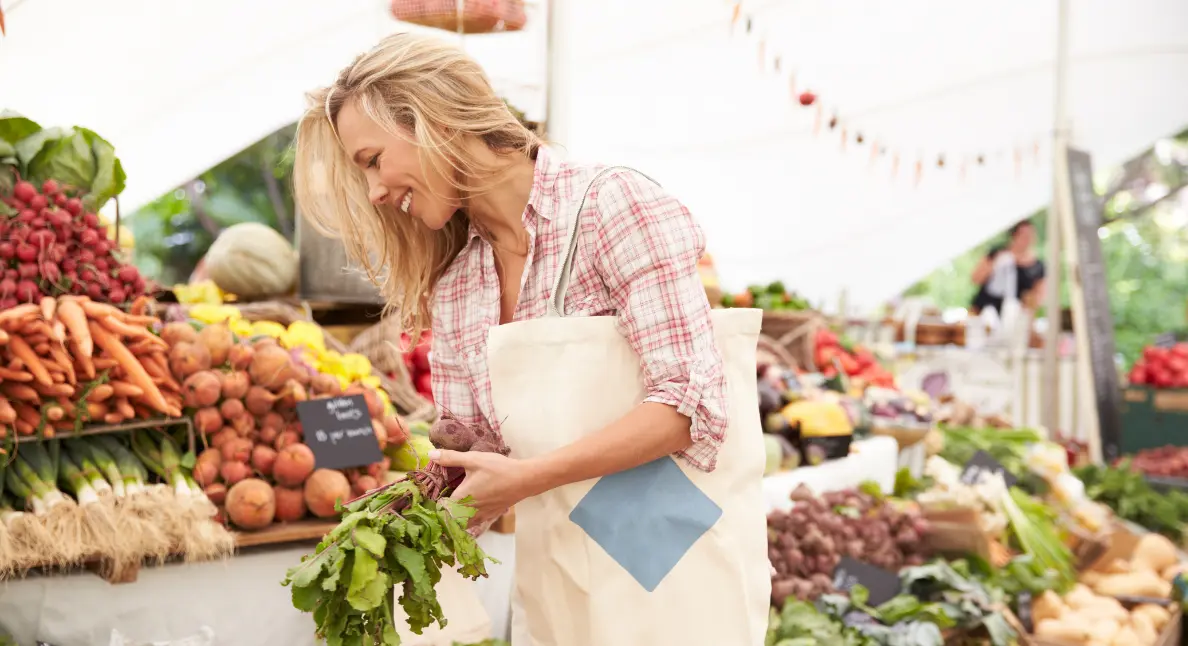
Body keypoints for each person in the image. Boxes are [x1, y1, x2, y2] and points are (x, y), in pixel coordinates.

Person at [294, 32, 769, 646]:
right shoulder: (460, 283)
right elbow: (477, 454)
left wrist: (528, 477)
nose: (378, 192)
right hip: (563, 563)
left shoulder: (612, 207)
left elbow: (688, 407)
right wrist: (395, 510)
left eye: (372, 161)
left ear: (428, 120)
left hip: (671, 550)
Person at [969, 220, 1045, 314]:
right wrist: (996, 264)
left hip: (1014, 315)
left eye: (1031, 235)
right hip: (985, 309)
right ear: (1014, 235)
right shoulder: (997, 254)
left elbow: (1039, 295)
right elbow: (975, 278)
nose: (1027, 239)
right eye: (1023, 235)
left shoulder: (1037, 266)